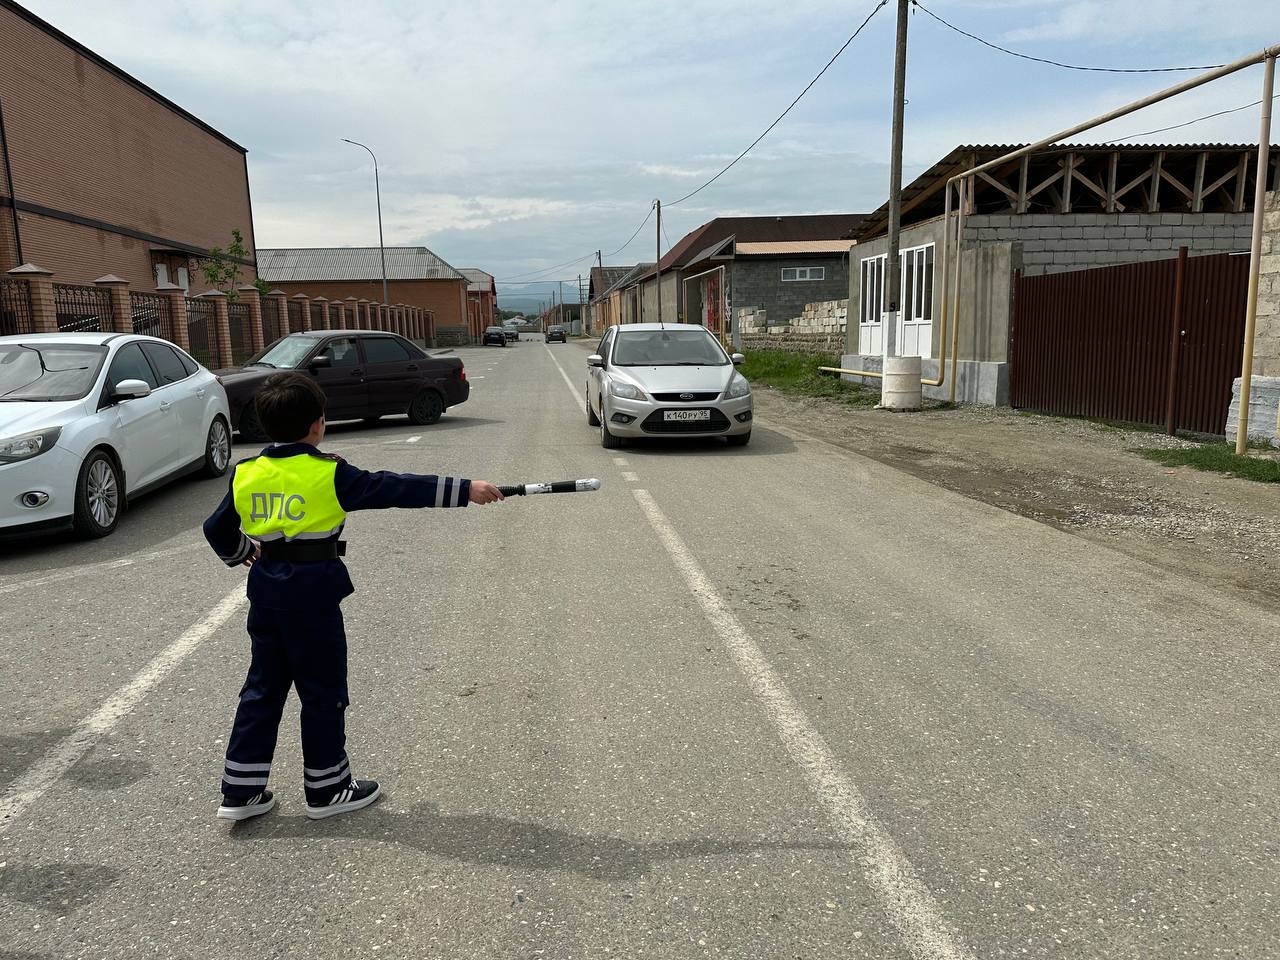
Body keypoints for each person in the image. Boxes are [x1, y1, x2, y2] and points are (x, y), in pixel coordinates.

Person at [202, 372, 504, 822]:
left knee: (262, 689)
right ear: (317, 424)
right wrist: (466, 490)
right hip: (314, 598)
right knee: (323, 692)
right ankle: (327, 788)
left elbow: (216, 527)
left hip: (267, 596)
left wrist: (244, 552)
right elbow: (395, 487)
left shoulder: (246, 472)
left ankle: (241, 791)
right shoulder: (329, 473)